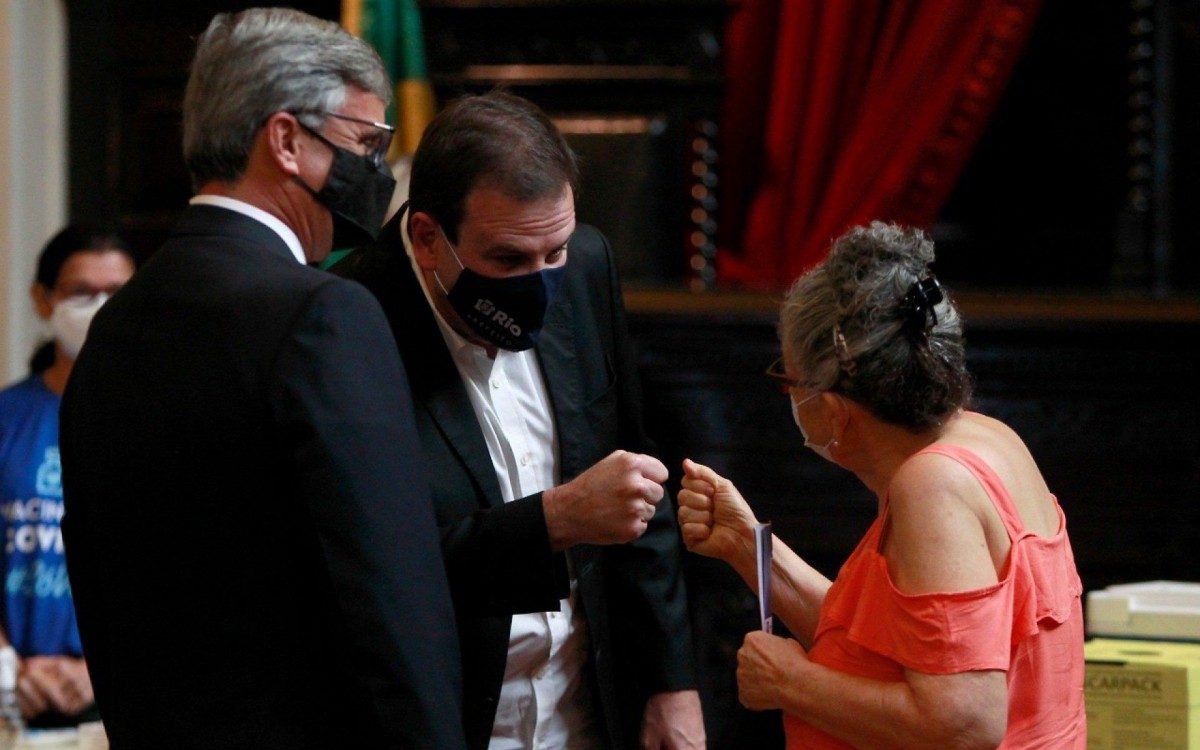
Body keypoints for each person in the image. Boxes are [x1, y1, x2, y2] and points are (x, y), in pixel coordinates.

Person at [58, 9, 465, 749]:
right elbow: (392, 600)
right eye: (366, 144)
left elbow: (100, 578)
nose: (377, 173)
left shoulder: (113, 328)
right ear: (285, 140)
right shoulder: (325, 316)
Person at [331, 90, 705, 750]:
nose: (539, 280)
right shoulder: (345, 322)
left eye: (553, 252)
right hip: (450, 721)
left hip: (586, 710)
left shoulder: (586, 268)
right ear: (426, 237)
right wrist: (551, 522)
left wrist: (671, 682)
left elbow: (637, 479)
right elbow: (367, 576)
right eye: (508, 260)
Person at [677, 222, 1086, 749]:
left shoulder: (932, 486)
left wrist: (790, 682)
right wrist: (746, 545)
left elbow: (963, 725)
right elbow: (887, 649)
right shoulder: (987, 437)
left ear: (832, 410)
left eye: (788, 380)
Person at [0, 225, 134, 728]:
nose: (99, 307)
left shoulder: (162, 419)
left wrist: (98, 670)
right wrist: (9, 668)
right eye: (81, 293)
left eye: (116, 294)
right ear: (42, 299)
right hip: (15, 701)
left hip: (125, 700)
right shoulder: (8, 419)